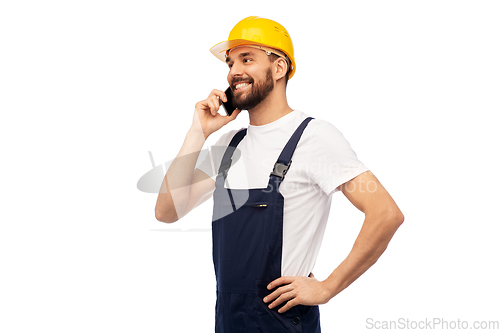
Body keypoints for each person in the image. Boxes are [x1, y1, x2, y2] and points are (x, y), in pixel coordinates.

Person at [155, 16, 404, 333]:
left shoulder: (315, 137)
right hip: (229, 322)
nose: (234, 72)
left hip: (283, 323)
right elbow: (166, 211)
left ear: (279, 68)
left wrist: (327, 288)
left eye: (247, 59)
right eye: (231, 62)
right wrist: (197, 133)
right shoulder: (229, 145)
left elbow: (385, 213)